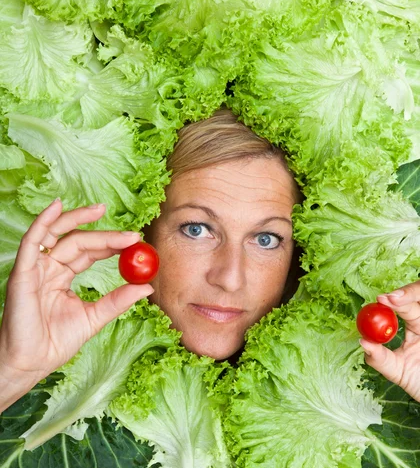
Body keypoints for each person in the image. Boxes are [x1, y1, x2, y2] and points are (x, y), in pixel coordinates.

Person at [0, 109, 419, 414]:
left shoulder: (368, 385)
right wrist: (15, 369)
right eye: (196, 229)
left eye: (266, 238)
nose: (229, 278)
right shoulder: (41, 372)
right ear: (143, 232)